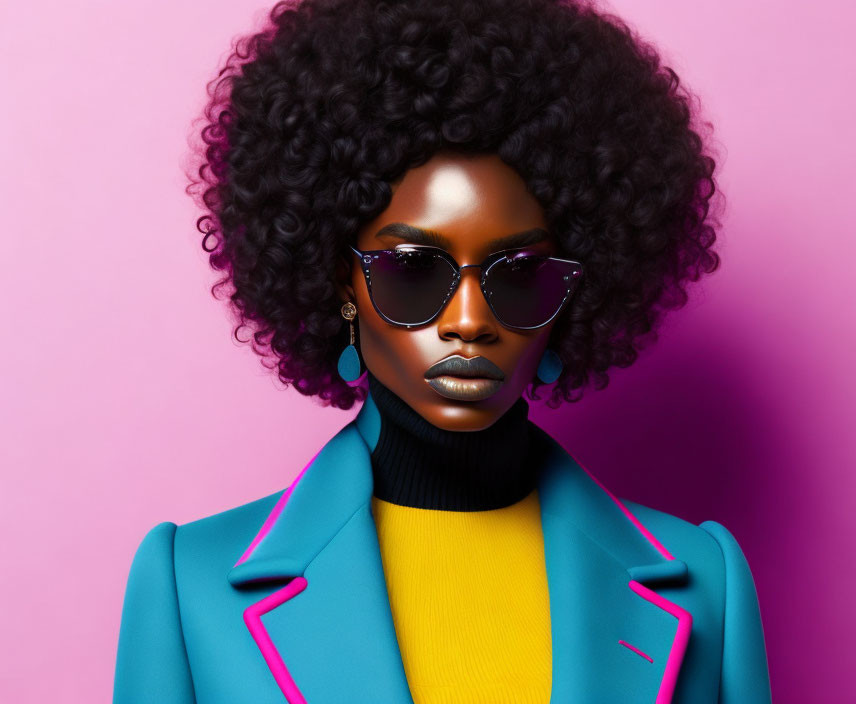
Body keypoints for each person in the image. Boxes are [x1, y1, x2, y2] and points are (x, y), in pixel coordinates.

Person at [113, 0, 772, 702]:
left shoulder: (708, 585)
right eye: (412, 271)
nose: (469, 321)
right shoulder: (190, 588)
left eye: (518, 277)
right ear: (342, 282)